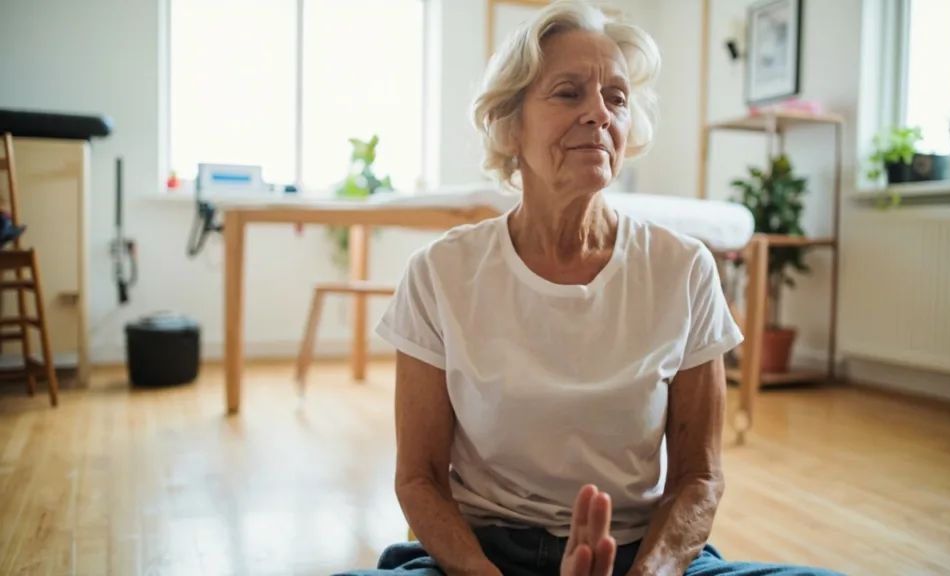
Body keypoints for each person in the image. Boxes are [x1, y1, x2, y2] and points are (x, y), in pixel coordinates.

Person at [336, 1, 843, 575]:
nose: (600, 114)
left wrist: (648, 575)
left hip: (639, 555)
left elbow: (698, 478)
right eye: (569, 92)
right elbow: (419, 479)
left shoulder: (684, 270)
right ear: (511, 124)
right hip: (483, 556)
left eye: (617, 98)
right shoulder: (440, 273)